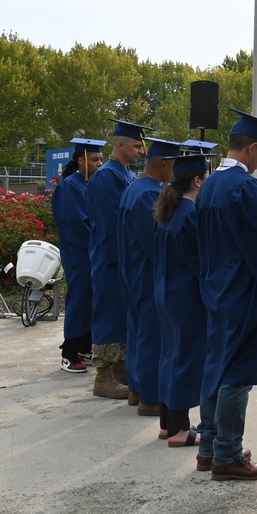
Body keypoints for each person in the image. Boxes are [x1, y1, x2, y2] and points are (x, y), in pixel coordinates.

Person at [196, 109, 257, 481]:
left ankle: (208, 449)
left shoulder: (210, 185)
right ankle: (228, 456)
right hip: (243, 293)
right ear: (251, 148)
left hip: (216, 289)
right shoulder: (247, 188)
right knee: (237, 372)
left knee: (216, 365)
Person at [87, 119, 150, 400]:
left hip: (126, 260)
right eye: (137, 145)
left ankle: (121, 368)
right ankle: (103, 376)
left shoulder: (126, 174)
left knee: (124, 316)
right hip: (111, 258)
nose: (141, 151)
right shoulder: (105, 177)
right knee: (109, 316)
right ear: (120, 145)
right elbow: (110, 224)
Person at [118, 138, 180, 418]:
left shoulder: (135, 188)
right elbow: (155, 242)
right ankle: (150, 397)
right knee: (152, 333)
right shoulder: (147, 195)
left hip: (133, 269)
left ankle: (137, 388)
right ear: (165, 164)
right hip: (146, 271)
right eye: (175, 166)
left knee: (139, 330)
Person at [153, 153, 211, 449]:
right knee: (187, 359)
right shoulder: (189, 215)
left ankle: (166, 424)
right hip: (185, 296)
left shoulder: (168, 212)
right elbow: (199, 262)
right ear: (198, 180)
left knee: (170, 356)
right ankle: (179, 428)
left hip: (165, 292)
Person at [52, 137, 105, 374]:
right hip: (80, 254)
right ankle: (69, 353)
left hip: (94, 253)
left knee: (92, 302)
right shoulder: (70, 187)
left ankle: (85, 347)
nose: (99, 163)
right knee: (80, 301)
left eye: (101, 159)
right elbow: (75, 224)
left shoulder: (91, 184)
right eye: (94, 159)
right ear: (80, 160)